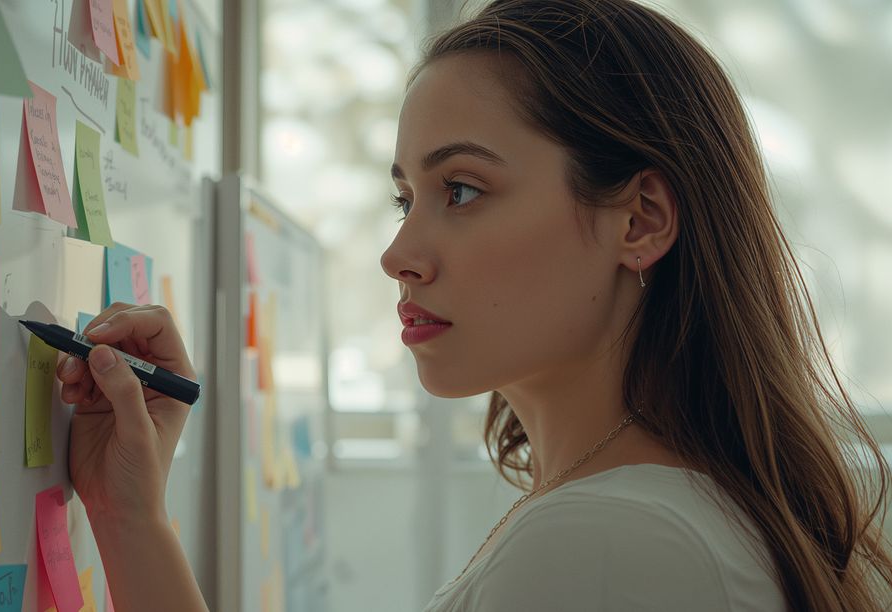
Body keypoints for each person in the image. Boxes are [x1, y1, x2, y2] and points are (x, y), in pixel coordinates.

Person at [55, 0, 892, 610]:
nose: (398, 256)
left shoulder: (609, 542)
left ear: (639, 221)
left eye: (461, 189)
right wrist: (130, 516)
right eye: (405, 199)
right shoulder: (629, 513)